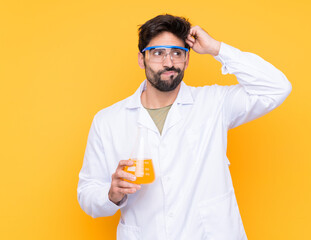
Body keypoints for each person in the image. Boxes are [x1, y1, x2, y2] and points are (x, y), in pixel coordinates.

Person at [77, 14, 292, 240]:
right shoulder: (108, 121)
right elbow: (87, 194)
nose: (169, 62)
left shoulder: (213, 104)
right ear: (142, 59)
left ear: (187, 59)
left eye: (177, 53)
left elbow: (276, 87)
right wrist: (111, 195)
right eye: (158, 53)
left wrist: (217, 48)